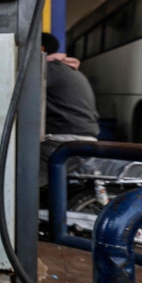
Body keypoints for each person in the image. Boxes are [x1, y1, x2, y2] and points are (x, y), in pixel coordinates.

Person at [40, 32, 100, 185]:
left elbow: (19, 93)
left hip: (64, 141)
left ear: (40, 48)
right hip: (81, 138)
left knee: (22, 180)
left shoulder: (48, 69)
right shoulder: (64, 68)